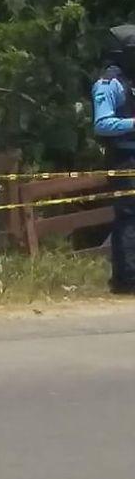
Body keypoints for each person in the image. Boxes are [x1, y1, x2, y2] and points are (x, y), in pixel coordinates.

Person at [92, 25, 135, 295]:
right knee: (129, 217)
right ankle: (127, 279)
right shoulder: (108, 84)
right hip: (123, 159)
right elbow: (102, 124)